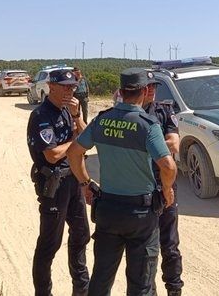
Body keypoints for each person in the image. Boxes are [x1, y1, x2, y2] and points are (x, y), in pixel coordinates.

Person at [67, 68, 177, 296]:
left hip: (108, 211)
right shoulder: (147, 125)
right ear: (145, 90)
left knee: (101, 279)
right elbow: (168, 166)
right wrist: (166, 190)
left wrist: (85, 183)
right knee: (140, 285)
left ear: (121, 91)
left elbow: (73, 153)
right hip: (140, 215)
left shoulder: (102, 120)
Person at [27, 68, 90, 296]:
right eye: (64, 86)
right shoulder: (41, 115)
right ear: (51, 86)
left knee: (81, 235)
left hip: (73, 180)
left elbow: (87, 138)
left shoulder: (68, 111)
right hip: (54, 185)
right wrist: (75, 142)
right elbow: (52, 154)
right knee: (49, 244)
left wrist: (77, 117)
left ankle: (81, 290)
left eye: (72, 87)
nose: (69, 91)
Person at [143, 73, 184, 296]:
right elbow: (165, 145)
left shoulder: (165, 110)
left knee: (170, 244)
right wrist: (158, 148)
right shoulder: (132, 115)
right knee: (146, 247)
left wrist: (143, 148)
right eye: (147, 86)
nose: (151, 89)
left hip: (165, 183)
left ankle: (174, 289)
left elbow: (174, 145)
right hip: (141, 186)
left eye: (154, 86)